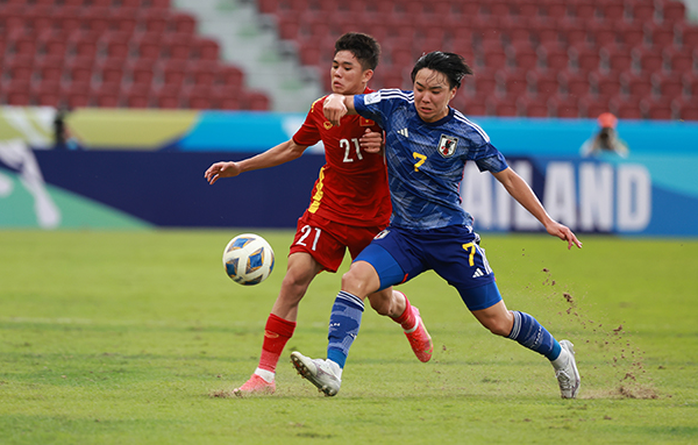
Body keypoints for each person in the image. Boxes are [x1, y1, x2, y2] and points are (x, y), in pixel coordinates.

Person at [290, 51, 583, 399]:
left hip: (451, 240)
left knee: (497, 322)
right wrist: (338, 100)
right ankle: (333, 368)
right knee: (354, 279)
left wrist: (547, 220)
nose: (424, 98)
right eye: (419, 88)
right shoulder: (393, 105)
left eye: (435, 91)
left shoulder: (467, 133)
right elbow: (346, 100)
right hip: (404, 235)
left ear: (453, 92)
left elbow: (509, 179)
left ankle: (560, 355)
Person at [204, 33, 433, 397]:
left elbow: (427, 156)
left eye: (347, 68)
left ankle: (407, 314)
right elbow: (295, 146)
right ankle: (264, 377)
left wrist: (390, 146)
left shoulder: (389, 113)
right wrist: (240, 167)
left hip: (375, 219)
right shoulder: (321, 109)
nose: (337, 74)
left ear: (366, 76)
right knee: (294, 278)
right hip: (327, 210)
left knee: (380, 302)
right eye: (334, 66)